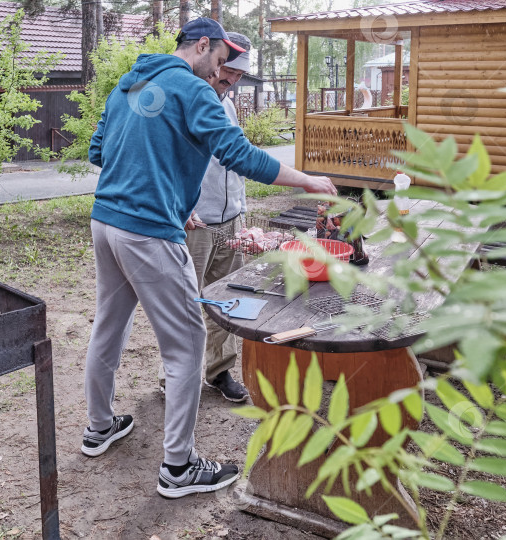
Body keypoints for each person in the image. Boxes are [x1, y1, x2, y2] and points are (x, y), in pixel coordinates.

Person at [81, 17, 336, 499]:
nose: (220, 72)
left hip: (105, 221)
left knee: (107, 326)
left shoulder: (129, 85)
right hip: (146, 231)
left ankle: (99, 427)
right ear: (202, 46)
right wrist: (305, 179)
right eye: (220, 61)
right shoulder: (194, 89)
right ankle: (178, 467)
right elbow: (239, 153)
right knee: (187, 343)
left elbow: (100, 151)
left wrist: (165, 191)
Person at [157, 31, 253, 403]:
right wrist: (180, 208)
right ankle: (173, 377)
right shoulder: (182, 96)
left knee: (228, 301)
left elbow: (235, 158)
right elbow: (163, 158)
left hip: (230, 221)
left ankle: (220, 370)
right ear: (213, 60)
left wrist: (241, 209)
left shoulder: (226, 103)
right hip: (194, 223)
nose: (231, 80)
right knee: (183, 305)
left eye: (240, 75)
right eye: (227, 70)